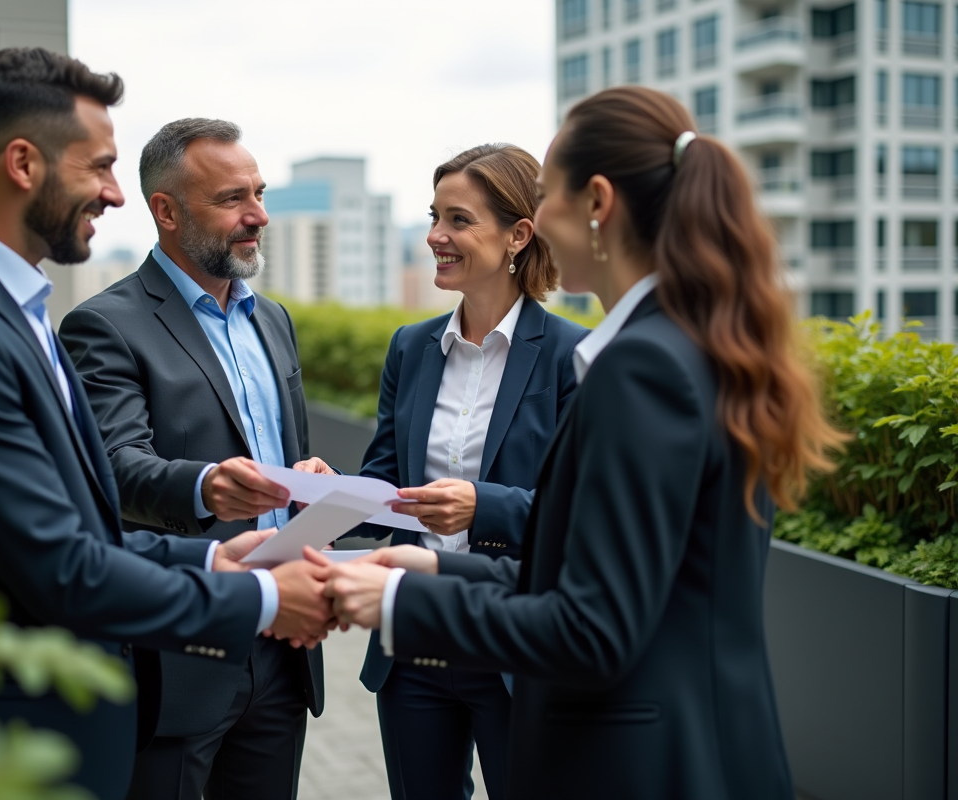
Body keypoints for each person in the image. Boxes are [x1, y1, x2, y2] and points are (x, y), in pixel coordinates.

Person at [320, 86, 847, 799]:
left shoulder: (643, 366)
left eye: (548, 197)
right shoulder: (691, 343)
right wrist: (432, 569)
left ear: (596, 202)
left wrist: (394, 599)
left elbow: (592, 626)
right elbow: (598, 576)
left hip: (649, 765)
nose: (542, 221)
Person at [0, 50, 332, 800]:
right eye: (100, 167)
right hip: (15, 745)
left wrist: (214, 562)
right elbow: (60, 570)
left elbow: (79, 530)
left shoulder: (3, 308)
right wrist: (264, 597)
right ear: (22, 163)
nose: (116, 194)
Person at [59, 118, 331, 800]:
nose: (259, 216)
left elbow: (281, 457)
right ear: (167, 211)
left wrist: (310, 481)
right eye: (234, 199)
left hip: (284, 645)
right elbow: (114, 471)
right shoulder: (104, 325)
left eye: (260, 194)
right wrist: (207, 486)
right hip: (182, 654)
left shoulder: (273, 320)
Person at [350, 144, 586, 800]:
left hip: (515, 641)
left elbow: (579, 517)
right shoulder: (411, 346)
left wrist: (482, 505)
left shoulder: (574, 357)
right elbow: (387, 482)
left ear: (518, 234)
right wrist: (327, 489)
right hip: (414, 638)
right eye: (434, 217)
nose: (435, 237)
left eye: (458, 220)